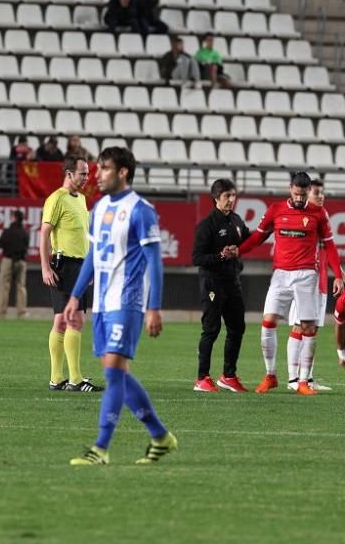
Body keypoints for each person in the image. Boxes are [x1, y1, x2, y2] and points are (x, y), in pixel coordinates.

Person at [67, 146, 177, 466]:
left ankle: (100, 448)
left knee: (114, 370)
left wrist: (154, 307)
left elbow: (155, 263)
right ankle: (160, 436)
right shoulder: (98, 208)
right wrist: (75, 297)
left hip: (127, 301)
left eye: (103, 169)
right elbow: (92, 257)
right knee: (116, 373)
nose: (97, 175)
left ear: (123, 172)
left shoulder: (141, 210)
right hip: (101, 303)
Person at [233, 171, 345, 395]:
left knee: (308, 326)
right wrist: (238, 251)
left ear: (308, 192)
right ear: (290, 189)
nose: (299, 198)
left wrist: (337, 274)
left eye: (303, 194)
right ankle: (270, 376)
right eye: (296, 194)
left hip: (307, 275)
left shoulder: (318, 213)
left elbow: (330, 246)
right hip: (281, 275)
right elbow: (257, 237)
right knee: (268, 322)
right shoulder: (275, 210)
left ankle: (303, 382)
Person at [40, 154, 103, 393]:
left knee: (64, 320)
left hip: (80, 266)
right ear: (69, 174)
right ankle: (74, 379)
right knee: (71, 319)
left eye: (87, 173)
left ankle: (58, 379)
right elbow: (44, 233)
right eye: (83, 173)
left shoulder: (82, 200)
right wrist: (45, 267)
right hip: (64, 264)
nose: (87, 177)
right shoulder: (56, 199)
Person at [191, 178, 249, 393]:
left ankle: (228, 376)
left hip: (232, 281)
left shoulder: (236, 220)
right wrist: (220, 256)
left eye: (233, 196)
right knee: (211, 330)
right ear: (216, 198)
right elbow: (196, 258)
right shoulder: (206, 226)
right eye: (227, 196)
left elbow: (249, 240)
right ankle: (202, 377)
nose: (231, 200)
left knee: (237, 328)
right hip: (212, 283)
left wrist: (270, 228)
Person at [286, 179, 333, 391]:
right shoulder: (300, 218)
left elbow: (329, 251)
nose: (320, 196)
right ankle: (293, 379)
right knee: (299, 325)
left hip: (319, 282)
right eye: (316, 192)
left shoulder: (321, 217)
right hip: (302, 281)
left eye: (322, 192)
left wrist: (340, 276)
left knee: (311, 329)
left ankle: (308, 378)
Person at [0, 209, 29, 319]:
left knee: (4, 286)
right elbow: (26, 246)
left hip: (8, 260)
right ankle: (22, 313)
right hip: (21, 261)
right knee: (21, 287)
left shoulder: (7, 231)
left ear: (14, 218)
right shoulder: (24, 232)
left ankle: (1, 313)